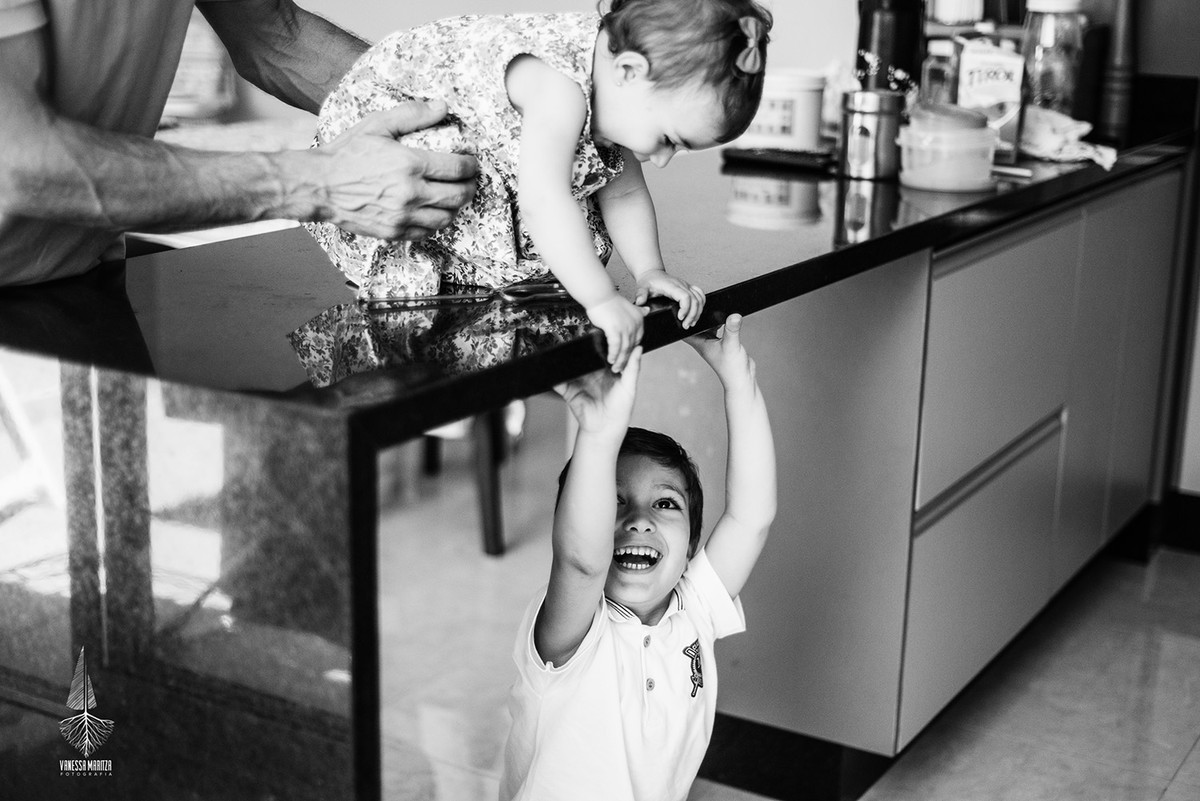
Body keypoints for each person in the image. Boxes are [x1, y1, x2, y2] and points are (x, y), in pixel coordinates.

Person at [305, 0, 772, 372]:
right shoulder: (559, 86)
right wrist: (601, 299)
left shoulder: (618, 87)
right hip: (386, 147)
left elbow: (624, 191)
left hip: (481, 150)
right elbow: (543, 201)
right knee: (542, 209)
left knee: (572, 218)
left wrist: (650, 270)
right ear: (630, 71)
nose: (664, 159)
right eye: (669, 139)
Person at [0, 0, 478, 286]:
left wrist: (470, 121)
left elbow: (273, 36)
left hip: (84, 271)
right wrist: (318, 182)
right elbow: (18, 159)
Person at [501, 312, 777, 801]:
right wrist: (597, 434)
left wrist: (739, 381)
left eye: (665, 503)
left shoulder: (694, 609)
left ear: (691, 544)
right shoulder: (574, 631)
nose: (639, 519)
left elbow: (751, 517)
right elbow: (582, 561)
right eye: (615, 501)